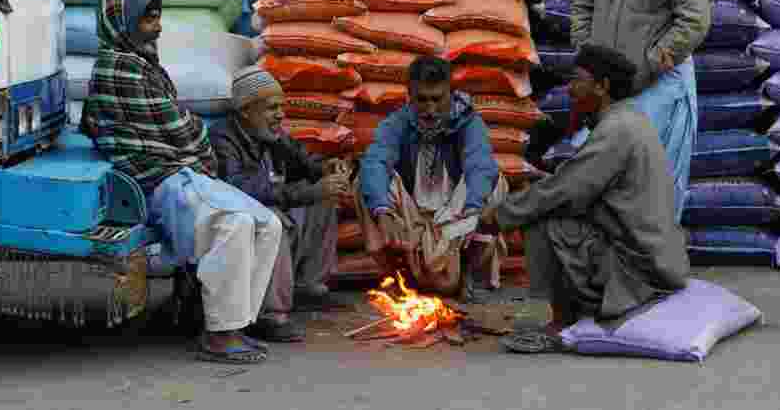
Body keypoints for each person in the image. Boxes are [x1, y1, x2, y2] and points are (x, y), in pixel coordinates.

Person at [81, 0, 282, 365]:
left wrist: (193, 136)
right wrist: (197, 139)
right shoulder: (121, 67)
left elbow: (177, 125)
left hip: (184, 172)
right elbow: (180, 128)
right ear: (120, 23)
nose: (157, 26)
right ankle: (221, 335)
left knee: (265, 224)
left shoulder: (142, 66)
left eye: (157, 17)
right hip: (163, 179)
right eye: (146, 18)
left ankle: (232, 323)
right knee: (235, 224)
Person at [480, 44, 690, 354]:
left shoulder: (617, 130)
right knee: (547, 201)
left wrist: (500, 216)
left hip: (642, 268)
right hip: (653, 254)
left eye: (578, 80)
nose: (570, 88)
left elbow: (566, 190)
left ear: (602, 86)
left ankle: (562, 323)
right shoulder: (630, 120)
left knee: (543, 215)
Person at [571, 0, 711, 221]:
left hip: (658, 84)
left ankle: (651, 261)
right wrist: (589, 58)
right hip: (608, 87)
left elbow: (693, 21)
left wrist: (649, 64)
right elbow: (582, 7)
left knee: (653, 177)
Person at [209, 66, 353, 342]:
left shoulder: (270, 134)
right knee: (272, 219)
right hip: (239, 218)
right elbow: (240, 189)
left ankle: (309, 286)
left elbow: (303, 161)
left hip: (269, 202)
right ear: (246, 111)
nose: (280, 115)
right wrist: (304, 193)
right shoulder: (223, 138)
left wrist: (325, 170)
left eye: (281, 107)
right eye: (271, 108)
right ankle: (270, 315)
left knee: (322, 200)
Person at [354, 56, 509, 300]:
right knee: (365, 179)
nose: (430, 109)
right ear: (410, 95)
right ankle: (398, 278)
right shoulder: (398, 122)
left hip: (456, 216)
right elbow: (376, 161)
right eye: (422, 100)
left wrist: (473, 208)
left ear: (451, 93)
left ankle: (468, 272)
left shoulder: (469, 122)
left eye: (437, 99)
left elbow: (480, 165)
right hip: (414, 217)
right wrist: (382, 211)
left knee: (495, 181)